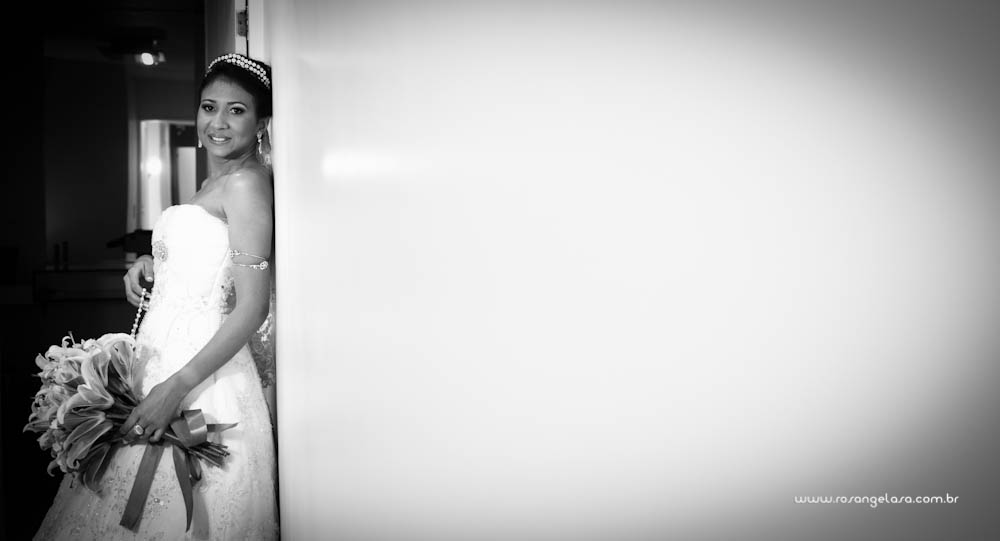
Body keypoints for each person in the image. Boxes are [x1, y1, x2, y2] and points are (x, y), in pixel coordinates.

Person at [34, 53, 279, 540]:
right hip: (160, 361)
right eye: (209, 107)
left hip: (201, 380)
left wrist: (175, 388)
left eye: (236, 110)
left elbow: (252, 307)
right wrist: (155, 265)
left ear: (260, 123)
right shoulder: (214, 183)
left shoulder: (246, 184)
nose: (217, 122)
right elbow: (213, 261)